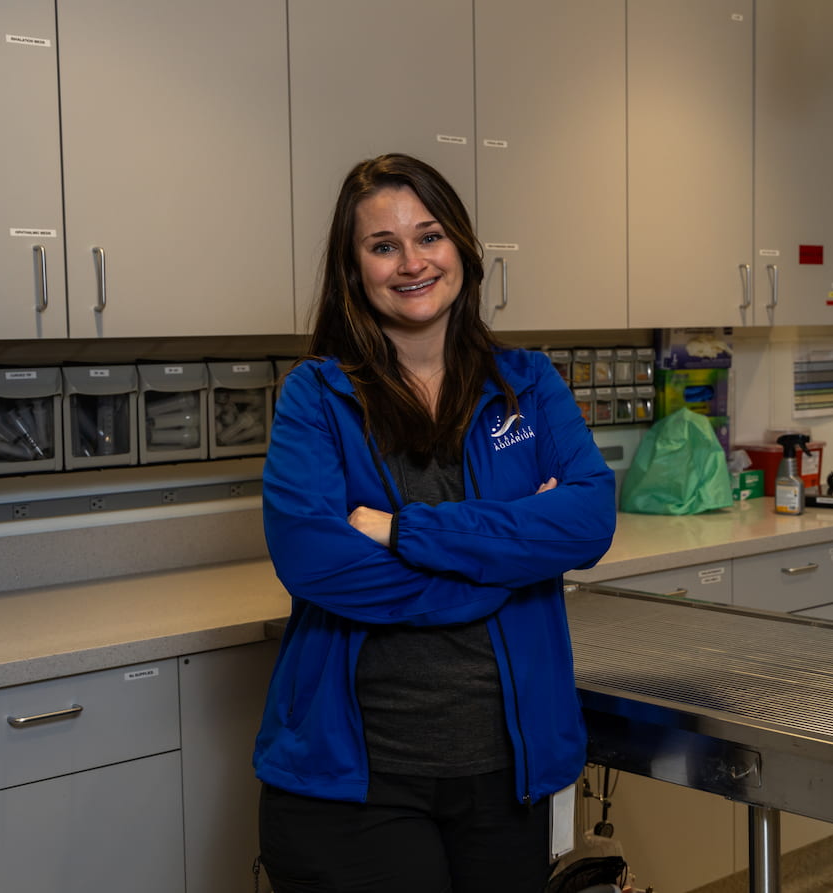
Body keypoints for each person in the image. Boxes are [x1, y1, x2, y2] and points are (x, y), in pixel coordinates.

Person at [254, 152, 618, 893]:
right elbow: (314, 558)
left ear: (462, 247)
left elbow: (587, 519)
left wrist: (408, 532)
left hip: (502, 770)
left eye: (430, 236)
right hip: (358, 779)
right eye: (383, 245)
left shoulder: (527, 384)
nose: (411, 262)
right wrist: (502, 563)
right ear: (353, 268)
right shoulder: (315, 398)